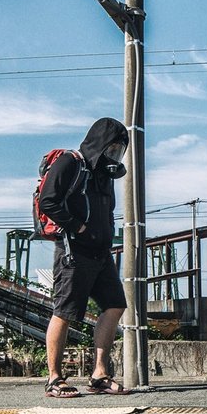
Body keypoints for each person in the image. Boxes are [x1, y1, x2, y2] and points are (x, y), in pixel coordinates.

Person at [38, 117, 131, 398]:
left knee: (115, 305)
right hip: (73, 252)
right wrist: (77, 226)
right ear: (99, 143)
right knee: (65, 313)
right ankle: (54, 379)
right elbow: (47, 200)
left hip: (101, 254)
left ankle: (100, 375)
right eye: (112, 148)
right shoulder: (70, 162)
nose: (114, 155)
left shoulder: (104, 174)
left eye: (119, 150)